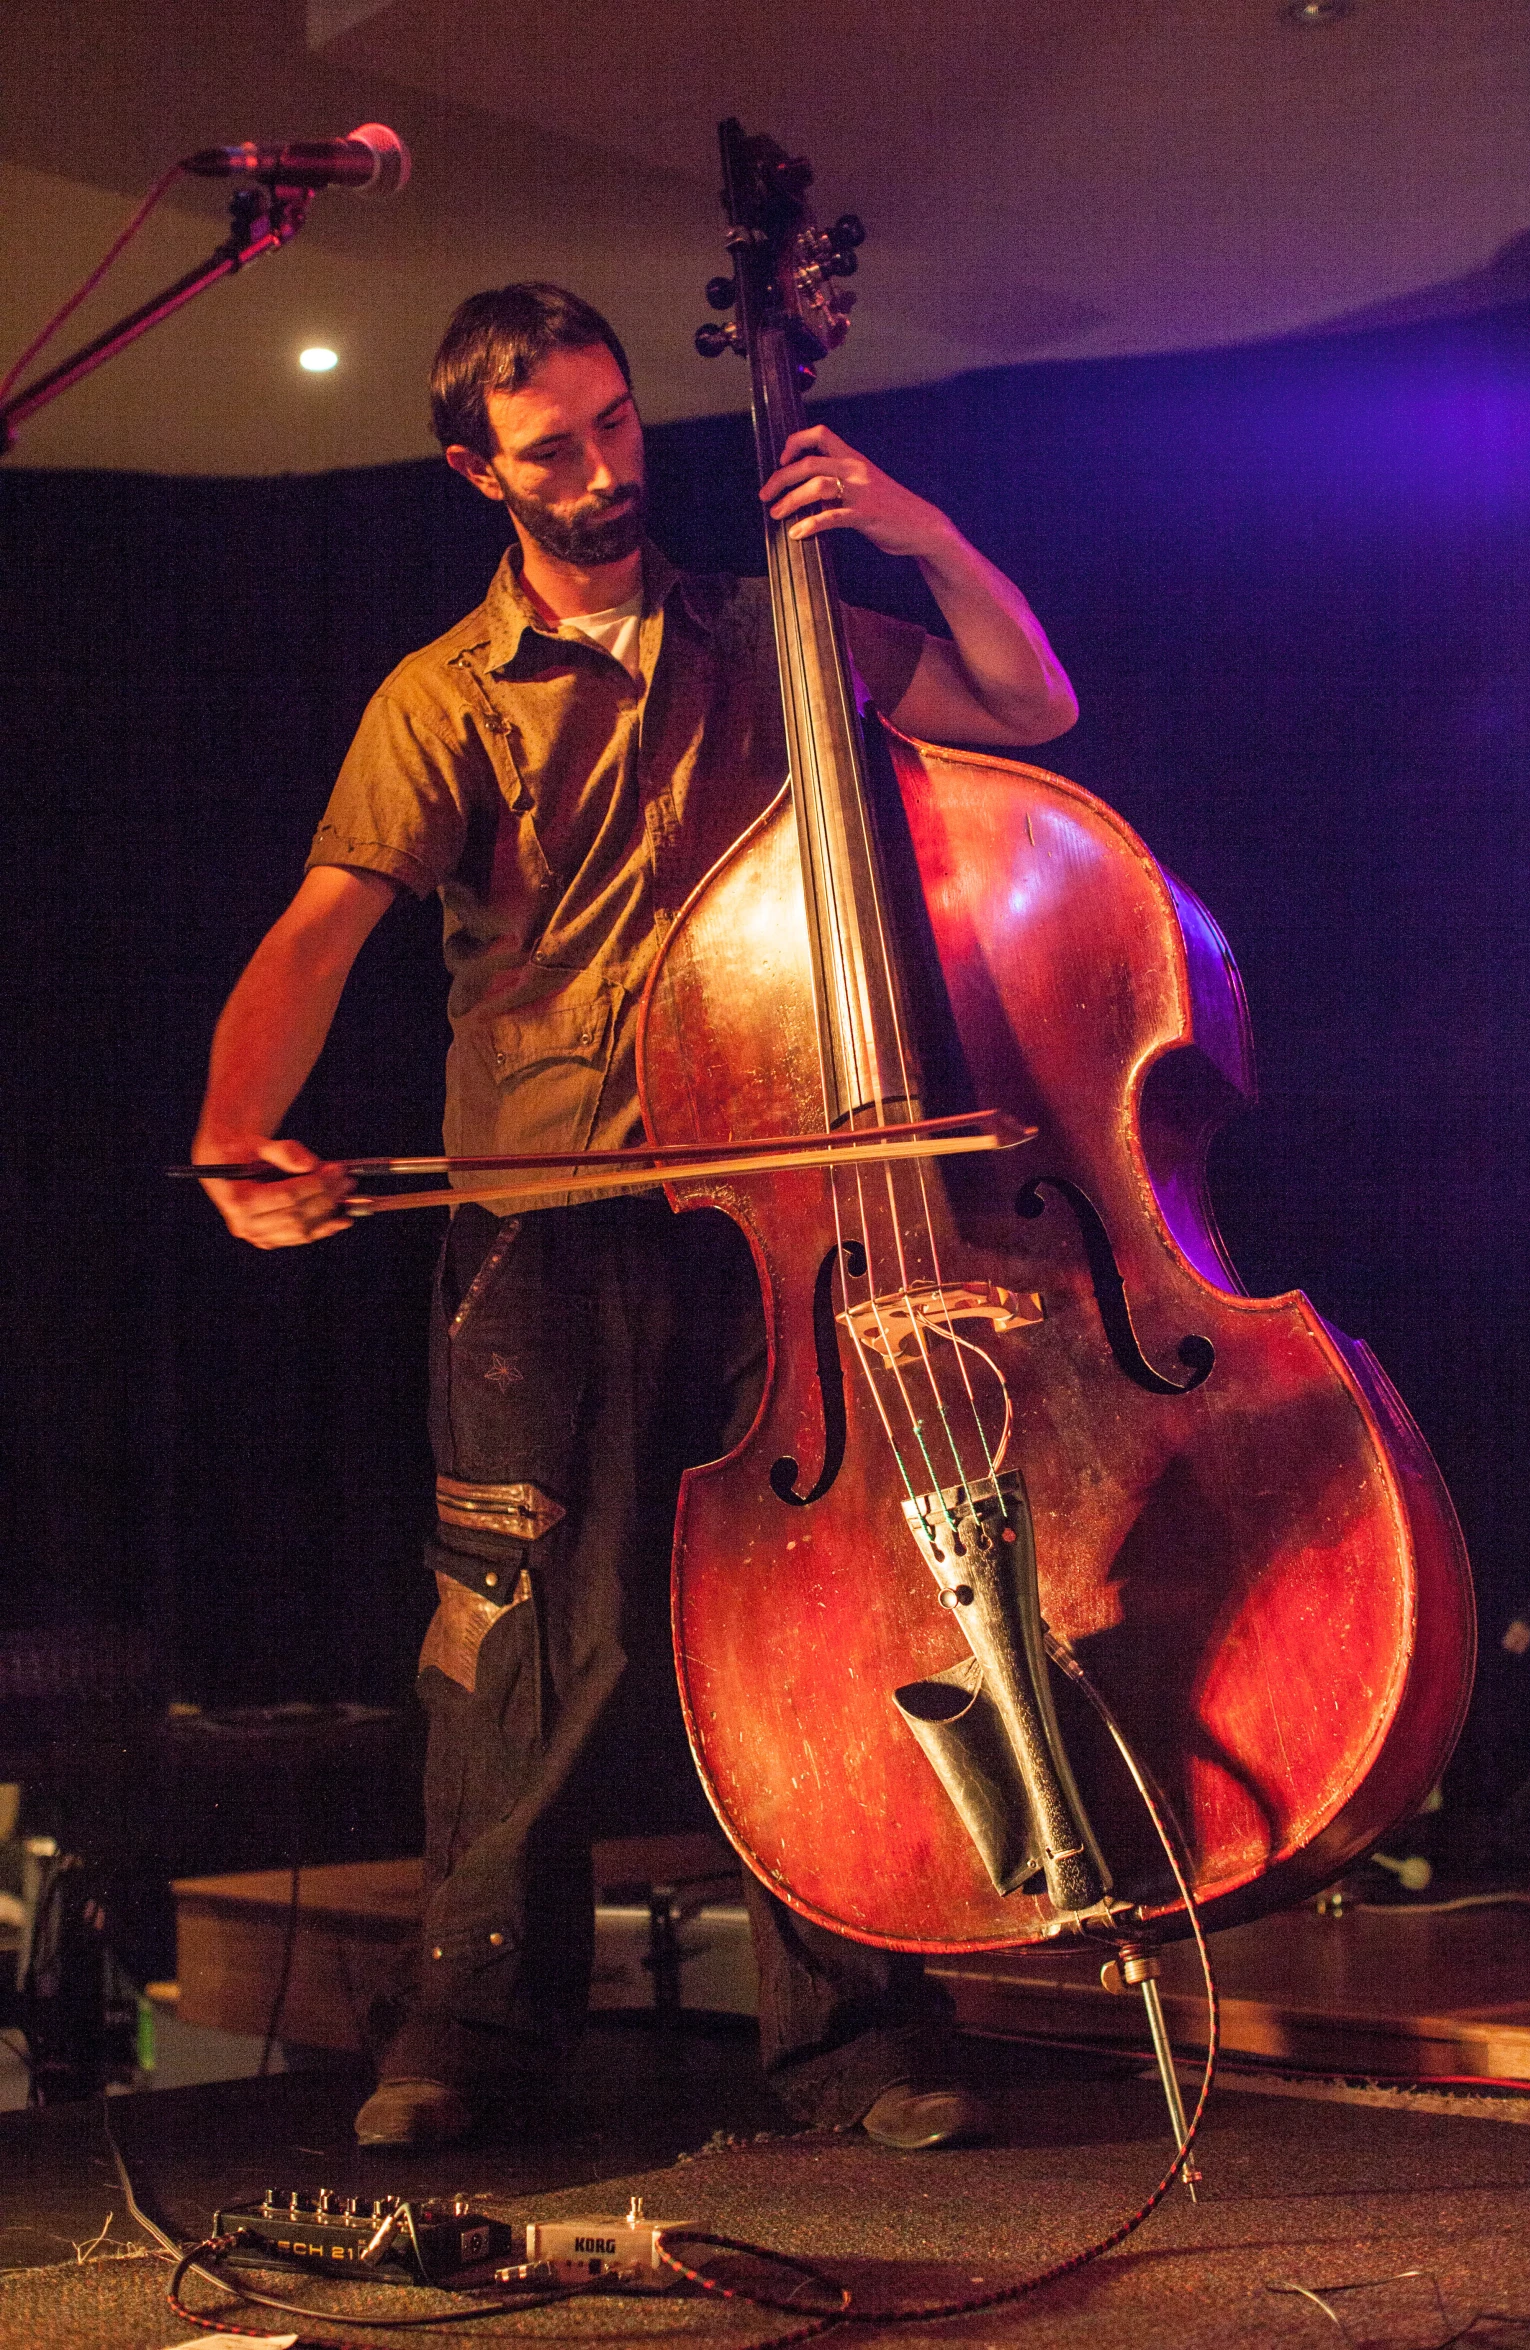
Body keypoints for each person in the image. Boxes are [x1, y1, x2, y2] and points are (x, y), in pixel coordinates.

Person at [194, 283, 1078, 2151]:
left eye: (612, 424)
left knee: (820, 1613)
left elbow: (1028, 701)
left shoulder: (773, 626)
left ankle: (851, 2032)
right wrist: (234, 1141)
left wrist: (915, 530)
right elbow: (317, 932)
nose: (599, 470)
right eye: (550, 447)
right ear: (472, 470)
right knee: (532, 1629)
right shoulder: (442, 696)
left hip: (779, 1191)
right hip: (549, 1199)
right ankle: (477, 2025)